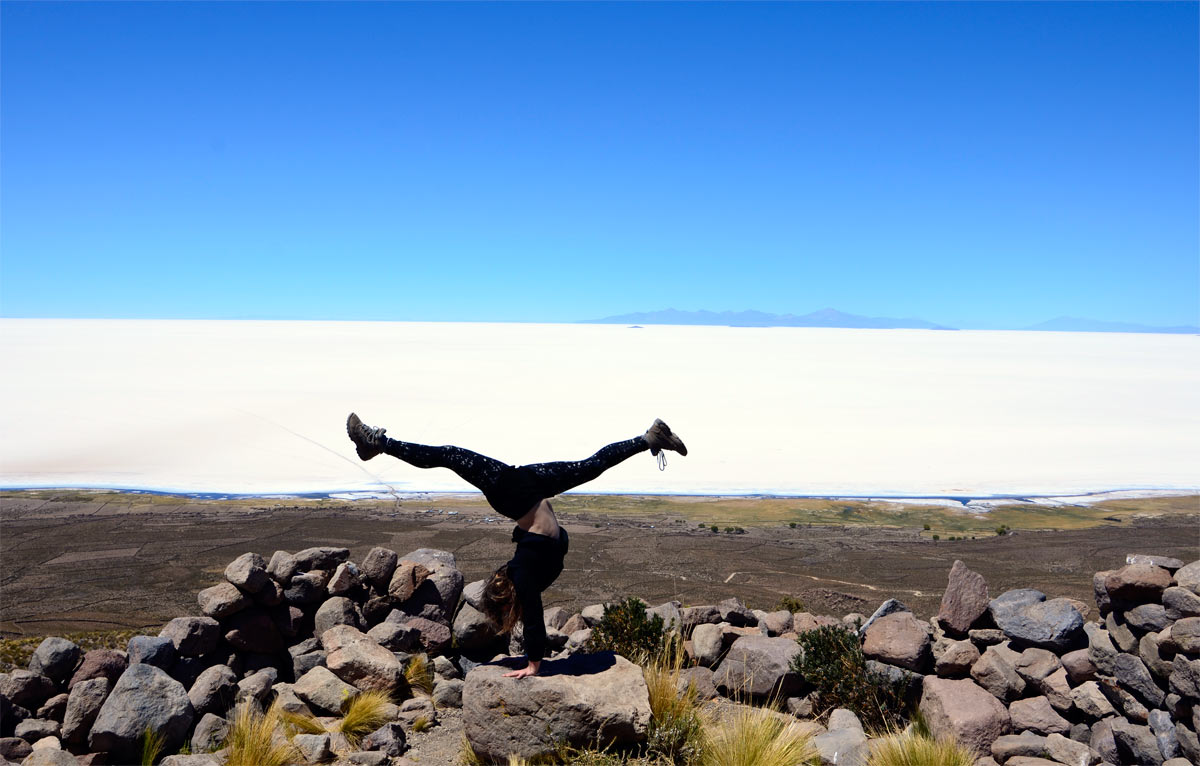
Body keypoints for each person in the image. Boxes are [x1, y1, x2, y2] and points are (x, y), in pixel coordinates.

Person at [345, 413, 687, 678]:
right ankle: (377, 443)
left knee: (590, 467)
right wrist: (535, 662)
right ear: (507, 592)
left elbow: (546, 560)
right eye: (497, 583)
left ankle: (649, 438)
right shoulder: (524, 576)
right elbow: (534, 617)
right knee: (448, 455)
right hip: (514, 491)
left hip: (531, 490)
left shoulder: (536, 570)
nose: (496, 576)